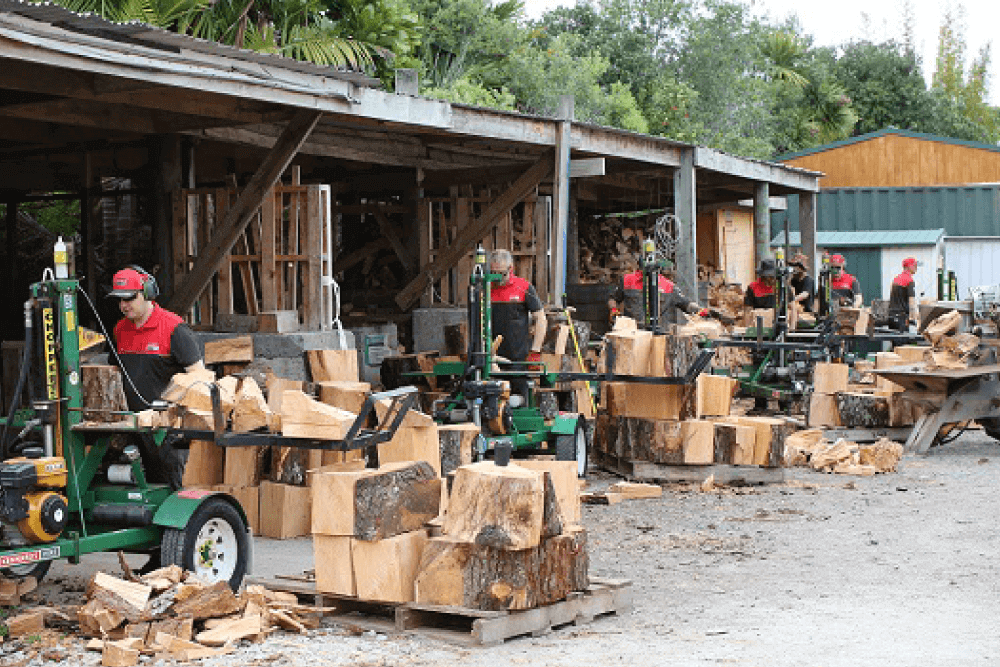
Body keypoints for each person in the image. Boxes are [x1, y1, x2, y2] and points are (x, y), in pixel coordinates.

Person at [109, 266, 204, 489]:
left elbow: (199, 378)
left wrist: (172, 412)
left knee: (174, 493)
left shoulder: (174, 328)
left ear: (148, 293)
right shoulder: (120, 330)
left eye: (130, 298)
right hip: (133, 429)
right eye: (119, 300)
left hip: (168, 433)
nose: (124, 305)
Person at [489, 250, 546, 395]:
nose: (497, 278)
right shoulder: (485, 289)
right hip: (492, 360)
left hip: (518, 361)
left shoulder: (524, 287)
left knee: (519, 401)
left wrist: (535, 351)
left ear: (510, 268)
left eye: (501, 273)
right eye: (493, 273)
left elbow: (540, 318)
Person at [608, 262, 706, 327]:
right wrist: (613, 310)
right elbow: (613, 298)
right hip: (631, 332)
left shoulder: (667, 286)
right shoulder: (627, 280)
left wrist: (701, 311)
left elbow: (686, 303)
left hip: (657, 335)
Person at [888, 257, 919, 332]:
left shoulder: (896, 279)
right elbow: (911, 301)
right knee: (903, 342)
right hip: (901, 319)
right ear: (910, 266)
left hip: (891, 317)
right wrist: (916, 317)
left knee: (894, 342)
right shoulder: (909, 280)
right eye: (915, 266)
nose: (916, 268)